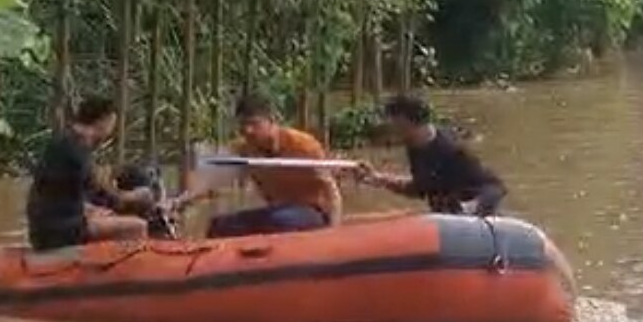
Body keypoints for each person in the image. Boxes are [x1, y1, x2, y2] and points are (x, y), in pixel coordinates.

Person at [173, 94, 343, 237]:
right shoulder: (244, 149)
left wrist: (332, 234)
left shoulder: (304, 146)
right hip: (276, 211)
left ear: (272, 121)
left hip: (312, 212)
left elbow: (330, 190)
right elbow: (213, 184)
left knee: (279, 220)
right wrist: (179, 203)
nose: (248, 131)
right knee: (219, 225)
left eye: (254, 124)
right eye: (243, 125)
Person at [26, 96, 155, 251]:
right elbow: (100, 193)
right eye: (112, 124)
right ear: (103, 120)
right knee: (138, 226)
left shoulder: (63, 142)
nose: (111, 131)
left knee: (106, 216)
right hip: (61, 230)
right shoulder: (76, 148)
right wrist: (132, 197)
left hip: (45, 227)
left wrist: (96, 209)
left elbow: (71, 193)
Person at [356, 94, 506, 217]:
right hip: (445, 219)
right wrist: (377, 178)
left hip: (468, 221)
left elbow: (495, 187)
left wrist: (471, 208)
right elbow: (419, 188)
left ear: (408, 124)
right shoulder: (415, 147)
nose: (391, 130)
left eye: (395, 125)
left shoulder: (452, 150)